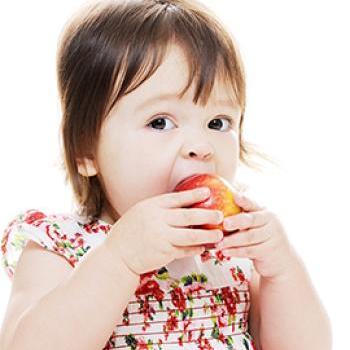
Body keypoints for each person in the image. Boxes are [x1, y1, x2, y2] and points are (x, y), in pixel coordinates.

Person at [0, 0, 332, 349]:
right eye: (160, 122)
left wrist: (281, 270)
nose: (201, 146)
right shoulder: (61, 247)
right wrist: (120, 259)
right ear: (85, 150)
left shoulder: (233, 252)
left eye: (218, 123)